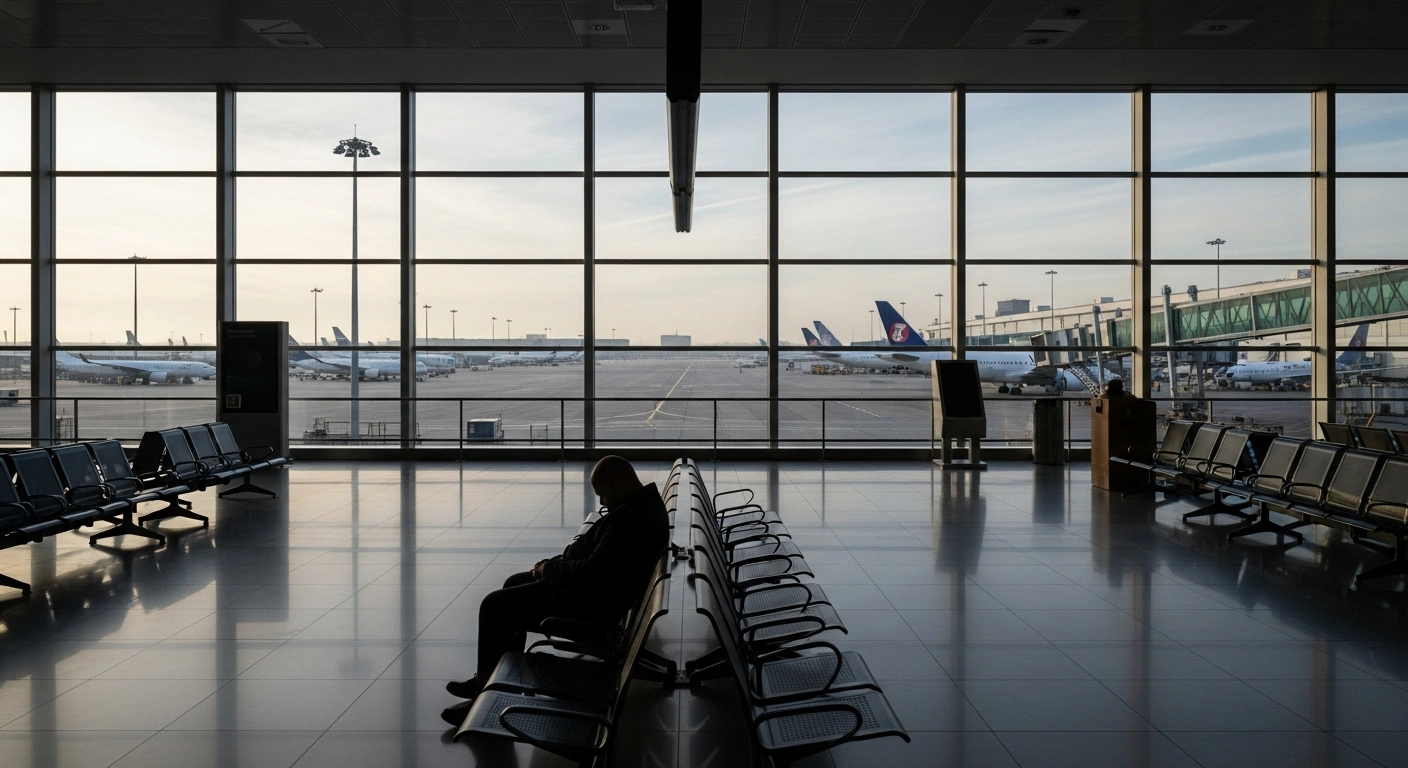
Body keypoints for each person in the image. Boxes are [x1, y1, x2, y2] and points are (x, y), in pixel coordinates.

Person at [441, 455, 669, 727]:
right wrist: (554, 565)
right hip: (598, 593)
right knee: (513, 583)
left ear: (618, 486)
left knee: (494, 606)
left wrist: (549, 569)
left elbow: (591, 570)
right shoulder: (640, 507)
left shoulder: (631, 519)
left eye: (603, 495)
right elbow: (599, 560)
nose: (601, 503)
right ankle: (490, 680)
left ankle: (483, 698)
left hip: (586, 604)